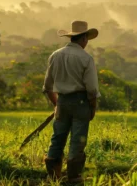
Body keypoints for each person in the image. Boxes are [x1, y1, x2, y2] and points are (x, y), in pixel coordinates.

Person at [42, 21, 100, 183]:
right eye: (87, 38)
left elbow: (47, 86)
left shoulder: (55, 55)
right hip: (81, 103)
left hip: (62, 101)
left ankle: (53, 175)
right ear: (83, 39)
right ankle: (74, 177)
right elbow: (92, 90)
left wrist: (57, 105)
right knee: (78, 140)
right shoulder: (86, 58)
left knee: (57, 138)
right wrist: (92, 107)